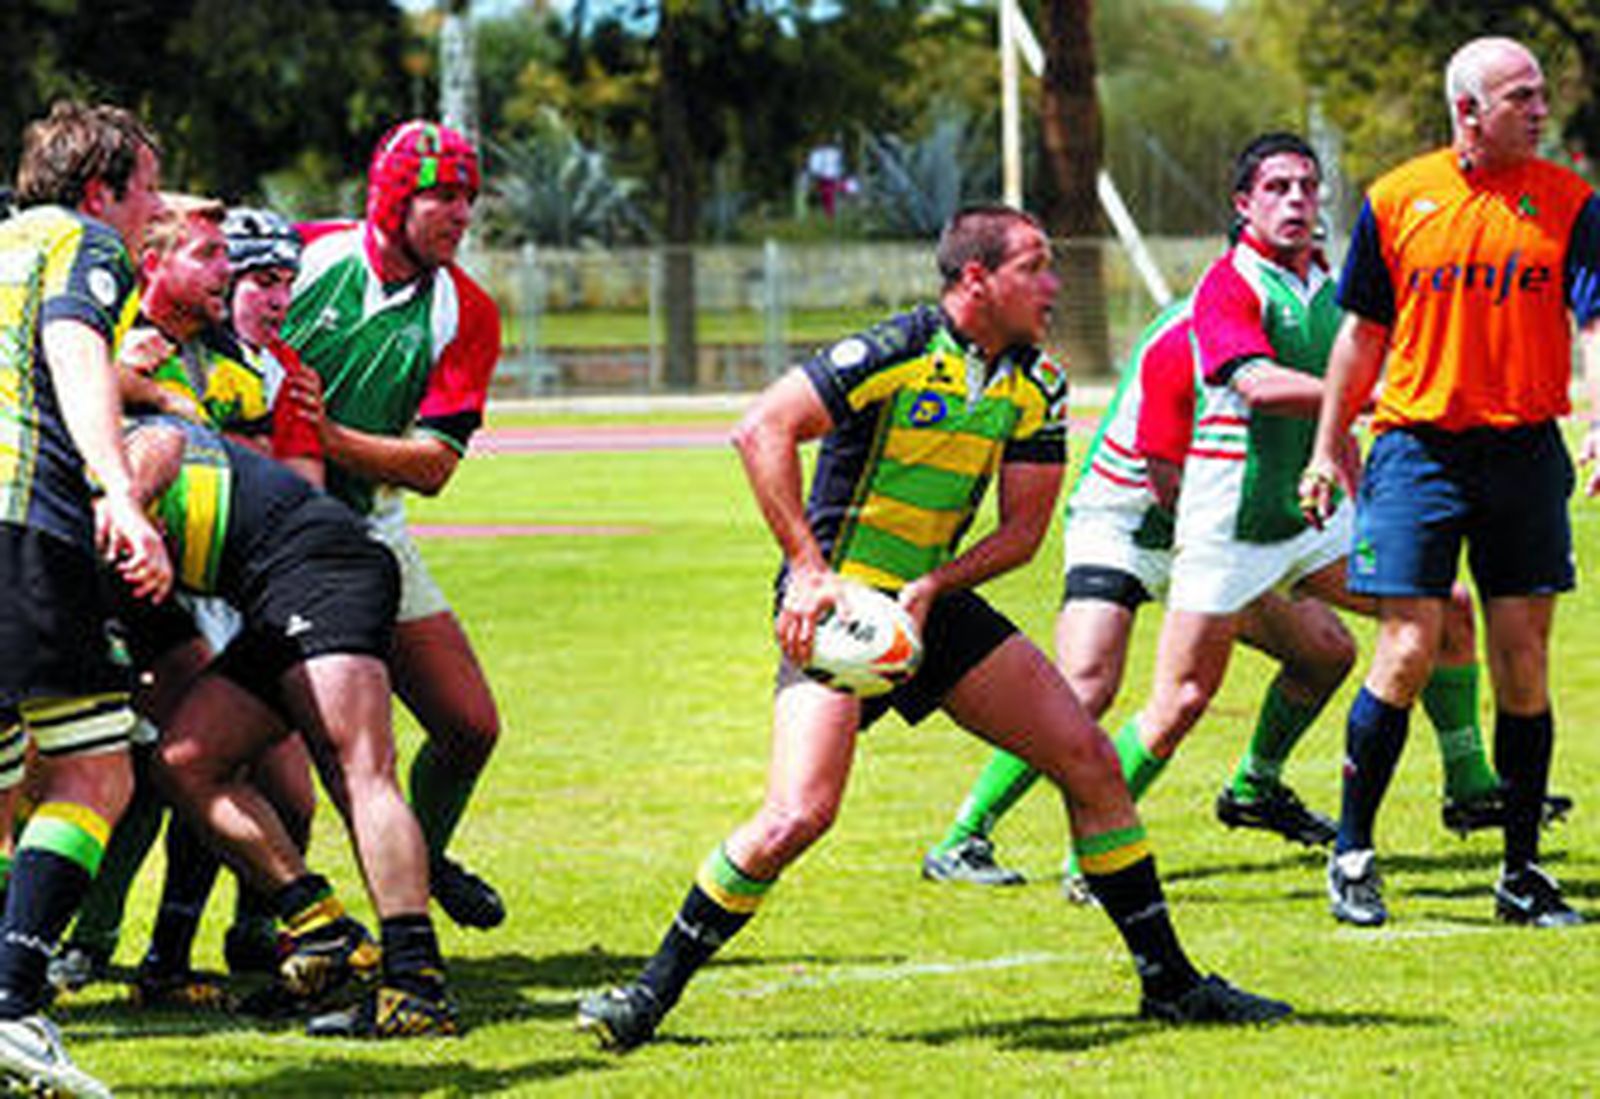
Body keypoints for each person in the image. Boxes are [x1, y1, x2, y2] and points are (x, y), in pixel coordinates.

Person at [576, 205, 1291, 1053]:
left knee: (1090, 759)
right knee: (798, 813)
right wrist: (808, 570)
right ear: (976, 278)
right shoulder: (896, 350)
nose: (1054, 283)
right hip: (839, 612)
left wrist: (934, 586)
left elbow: (1023, 531)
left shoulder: (1038, 384)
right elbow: (761, 427)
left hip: (931, 601)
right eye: (1034, 266)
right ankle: (647, 996)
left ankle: (1170, 983)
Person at [1302, 36, 1600, 928]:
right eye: (1521, 97)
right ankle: (1353, 853)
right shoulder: (1397, 199)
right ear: (1467, 111)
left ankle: (1521, 872)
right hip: (1416, 451)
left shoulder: (1572, 203)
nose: (1540, 110)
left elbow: (1595, 323)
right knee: (1406, 647)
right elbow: (1361, 335)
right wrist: (1326, 444)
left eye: (1541, 95)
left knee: (1523, 658)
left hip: (1524, 453)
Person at [52, 203, 325, 1001]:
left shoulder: (238, 364)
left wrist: (181, 415)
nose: (228, 274)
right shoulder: (111, 323)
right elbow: (78, 385)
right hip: (95, 573)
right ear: (155, 263)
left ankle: (180, 951)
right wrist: (151, 394)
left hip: (202, 584)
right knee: (102, 772)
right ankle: (80, 945)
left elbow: (263, 467)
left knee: (222, 773)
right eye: (212, 257)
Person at [120, 413, 458, 1037]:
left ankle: (417, 986)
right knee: (187, 763)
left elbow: (165, 438)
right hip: (277, 601)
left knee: (358, 770)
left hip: (326, 568)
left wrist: (126, 502)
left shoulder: (89, 446)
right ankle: (321, 926)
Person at [280, 120, 505, 929]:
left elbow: (435, 464)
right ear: (392, 198)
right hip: (263, 528)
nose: (462, 214)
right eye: (442, 196)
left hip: (371, 529)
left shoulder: (467, 310)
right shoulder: (304, 254)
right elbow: (191, 254)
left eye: (469, 198)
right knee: (259, 757)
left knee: (469, 726)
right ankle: (108, 940)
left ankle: (425, 855)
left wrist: (328, 438)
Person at [0, 100, 170, 1099]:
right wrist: (119, 490)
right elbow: (72, 354)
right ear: (100, 189)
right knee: (96, 771)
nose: (156, 209)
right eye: (147, 188)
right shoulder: (84, 243)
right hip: (22, 522)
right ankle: (14, 1003)